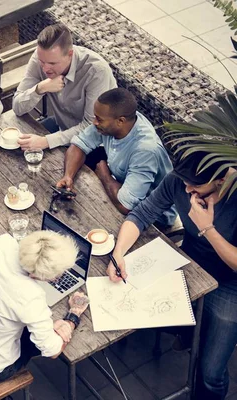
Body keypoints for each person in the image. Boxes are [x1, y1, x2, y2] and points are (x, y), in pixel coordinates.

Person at [107, 151, 237, 399]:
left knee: (210, 372)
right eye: (184, 181)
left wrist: (207, 228)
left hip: (230, 283)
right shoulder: (180, 180)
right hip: (189, 262)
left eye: (195, 185)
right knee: (132, 304)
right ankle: (187, 333)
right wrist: (119, 252)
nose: (187, 189)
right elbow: (142, 214)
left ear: (221, 179)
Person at [0, 231, 90, 382]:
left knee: (34, 328)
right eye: (59, 275)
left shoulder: (2, 243)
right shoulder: (30, 297)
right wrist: (71, 320)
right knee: (41, 342)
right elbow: (52, 351)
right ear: (35, 276)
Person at [56, 88, 176, 226]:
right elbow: (79, 144)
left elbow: (126, 205)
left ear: (120, 121)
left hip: (153, 217)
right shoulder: (112, 123)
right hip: (123, 190)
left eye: (99, 119)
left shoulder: (145, 150)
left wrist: (104, 176)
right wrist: (68, 176)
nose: (95, 122)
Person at [12, 23, 116, 151]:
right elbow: (17, 107)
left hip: (98, 144)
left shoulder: (96, 71)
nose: (44, 68)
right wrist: (39, 89)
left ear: (70, 54)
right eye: (42, 62)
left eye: (52, 63)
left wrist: (46, 141)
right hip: (62, 128)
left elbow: (92, 127)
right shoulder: (41, 57)